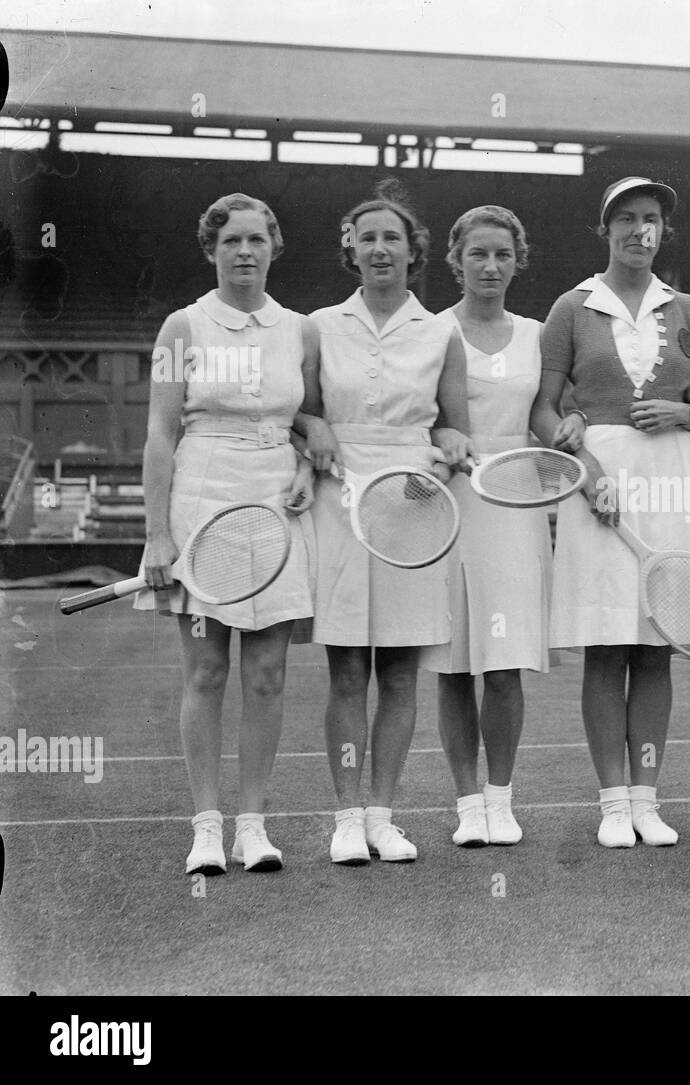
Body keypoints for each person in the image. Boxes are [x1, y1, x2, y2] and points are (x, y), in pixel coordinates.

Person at [531, 176, 690, 848]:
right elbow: (542, 409)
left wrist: (684, 410)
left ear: (663, 232)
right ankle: (613, 802)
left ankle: (648, 797)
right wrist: (585, 472)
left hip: (672, 477)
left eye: (652, 221)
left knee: (657, 649)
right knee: (608, 649)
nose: (641, 231)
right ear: (605, 229)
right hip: (601, 482)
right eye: (628, 219)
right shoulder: (571, 307)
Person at [138, 193, 318, 875]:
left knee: (268, 675)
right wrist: (157, 534)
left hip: (276, 505)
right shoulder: (181, 327)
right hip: (199, 501)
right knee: (207, 669)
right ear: (212, 250)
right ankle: (206, 828)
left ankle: (253, 826)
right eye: (231, 241)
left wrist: (304, 462)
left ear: (274, 246)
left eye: (256, 239)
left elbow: (313, 421)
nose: (245, 252)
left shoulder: (300, 330)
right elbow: (161, 434)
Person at [297, 180, 473, 865]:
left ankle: (381, 815)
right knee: (347, 673)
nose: (378, 248)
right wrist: (313, 427)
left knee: (400, 674)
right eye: (366, 237)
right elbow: (304, 411)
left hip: (414, 502)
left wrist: (453, 451)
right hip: (340, 503)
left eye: (391, 237)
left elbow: (455, 425)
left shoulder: (441, 331)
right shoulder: (318, 325)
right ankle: (345, 817)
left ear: (412, 251)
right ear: (351, 249)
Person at [421, 206, 548, 846]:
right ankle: (468, 803)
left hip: (516, 507)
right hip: (451, 503)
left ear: (516, 260)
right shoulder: (433, 331)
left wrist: (568, 430)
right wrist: (444, 442)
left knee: (504, 664)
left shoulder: (537, 333)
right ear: (456, 259)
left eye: (502, 254)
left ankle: (501, 799)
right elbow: (423, 416)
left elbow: (550, 412)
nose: (491, 266)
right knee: (453, 663)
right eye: (478, 254)